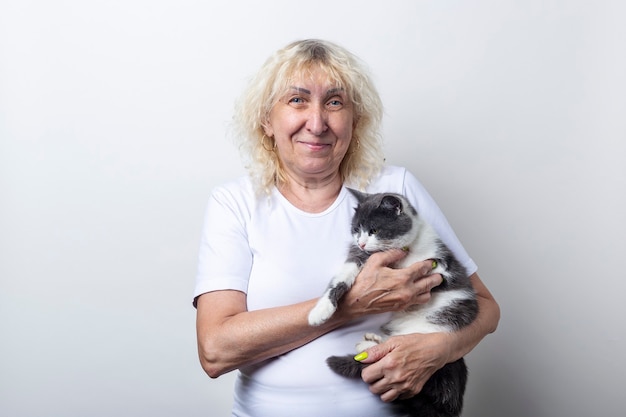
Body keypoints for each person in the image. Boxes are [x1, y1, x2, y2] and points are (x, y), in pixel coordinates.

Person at [194, 39, 500, 417]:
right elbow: (215, 351)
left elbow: (486, 309)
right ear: (266, 120)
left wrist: (440, 349)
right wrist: (349, 306)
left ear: (355, 121)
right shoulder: (235, 203)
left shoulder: (396, 189)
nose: (318, 122)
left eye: (335, 102)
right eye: (297, 100)